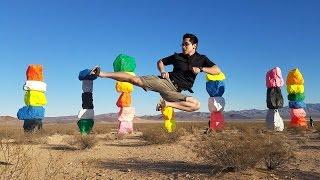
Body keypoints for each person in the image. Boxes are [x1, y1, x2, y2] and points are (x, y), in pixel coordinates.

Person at [91, 33, 221, 112]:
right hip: (166, 82)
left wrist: (202, 69)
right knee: (136, 80)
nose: (183, 46)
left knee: (196, 105)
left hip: (175, 92)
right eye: (182, 44)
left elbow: (217, 70)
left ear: (194, 45)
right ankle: (102, 73)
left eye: (186, 44)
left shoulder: (201, 59)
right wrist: (163, 70)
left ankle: (167, 104)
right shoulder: (177, 57)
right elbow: (160, 61)